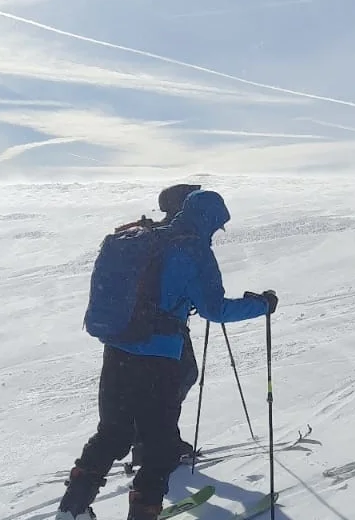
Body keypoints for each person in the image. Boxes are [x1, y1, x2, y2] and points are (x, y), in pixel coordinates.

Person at [56, 189, 278, 520]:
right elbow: (214, 310)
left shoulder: (147, 238)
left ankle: (72, 509)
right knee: (159, 447)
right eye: (217, 226)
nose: (217, 234)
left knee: (112, 433)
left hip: (117, 348)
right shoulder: (194, 251)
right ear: (210, 220)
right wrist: (262, 305)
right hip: (158, 360)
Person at [125, 184, 202, 468]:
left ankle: (152, 441)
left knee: (163, 384)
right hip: (165, 325)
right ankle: (157, 442)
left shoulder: (153, 234)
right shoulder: (178, 236)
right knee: (179, 378)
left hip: (143, 324)